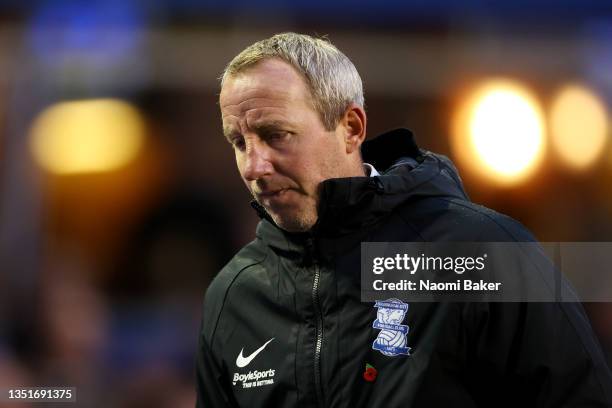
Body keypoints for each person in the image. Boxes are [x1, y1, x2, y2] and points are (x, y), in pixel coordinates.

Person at [195, 32, 612, 407]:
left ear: (351, 128)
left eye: (275, 135)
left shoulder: (482, 253)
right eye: (239, 142)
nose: (254, 167)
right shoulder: (233, 296)